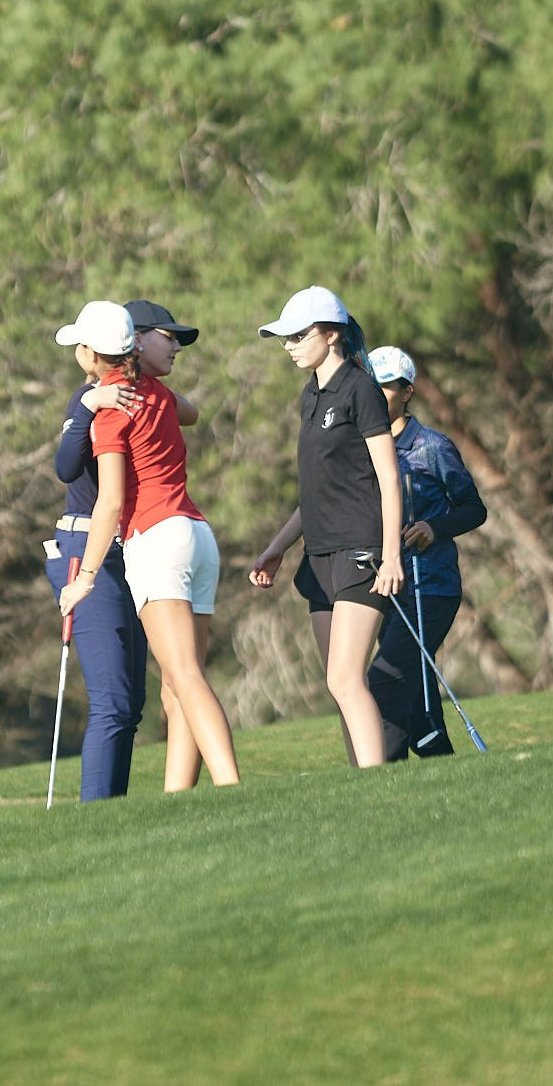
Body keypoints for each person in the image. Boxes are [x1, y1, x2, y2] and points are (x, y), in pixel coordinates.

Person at [58, 300, 240, 790]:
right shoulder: (155, 390)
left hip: (157, 538)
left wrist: (86, 578)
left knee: (183, 677)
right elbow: (192, 413)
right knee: (180, 685)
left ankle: (232, 788)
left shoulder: (110, 412)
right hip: (196, 534)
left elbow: (110, 502)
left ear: (92, 355)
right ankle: (178, 796)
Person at [247, 285, 403, 769]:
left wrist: (392, 554)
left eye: (298, 335)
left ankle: (378, 785)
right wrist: (277, 548)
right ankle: (364, 781)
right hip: (318, 557)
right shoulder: (310, 396)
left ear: (331, 334)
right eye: (284, 338)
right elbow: (316, 490)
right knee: (337, 683)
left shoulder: (360, 389)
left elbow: (388, 476)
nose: (290, 345)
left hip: (360, 549)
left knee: (345, 678)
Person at [365, 346, 487, 761]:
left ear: (407, 391)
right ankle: (440, 764)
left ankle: (387, 776)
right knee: (416, 692)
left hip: (430, 586)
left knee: (385, 679)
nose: (376, 393)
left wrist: (435, 527)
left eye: (385, 386)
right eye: (371, 385)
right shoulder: (364, 447)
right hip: (389, 588)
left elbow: (474, 508)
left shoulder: (432, 446)